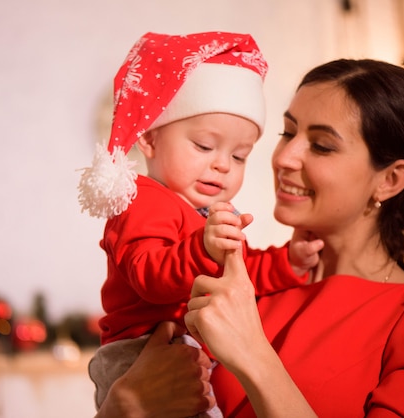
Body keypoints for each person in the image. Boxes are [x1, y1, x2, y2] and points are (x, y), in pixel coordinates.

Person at [97, 58, 404, 417]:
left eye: (322, 145)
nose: (283, 157)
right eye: (288, 132)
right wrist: (119, 406)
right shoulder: (244, 280)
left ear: (389, 180)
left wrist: (253, 356)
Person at [77, 32, 323, 416]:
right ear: (150, 140)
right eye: (205, 146)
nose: (222, 164)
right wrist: (201, 249)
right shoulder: (142, 200)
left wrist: (286, 261)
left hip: (187, 352)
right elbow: (149, 275)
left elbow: (239, 277)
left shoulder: (206, 215)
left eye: (239, 156)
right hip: (136, 355)